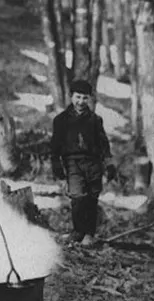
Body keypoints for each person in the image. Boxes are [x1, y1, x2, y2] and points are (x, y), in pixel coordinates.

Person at [51, 80, 114, 246]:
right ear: (71, 96)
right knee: (77, 197)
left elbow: (103, 144)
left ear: (90, 99)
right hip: (73, 163)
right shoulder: (61, 120)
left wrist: (109, 164)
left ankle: (89, 234)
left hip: (93, 164)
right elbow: (55, 147)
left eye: (85, 98)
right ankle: (78, 231)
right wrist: (57, 168)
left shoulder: (95, 120)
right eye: (78, 97)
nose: (81, 102)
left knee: (91, 199)